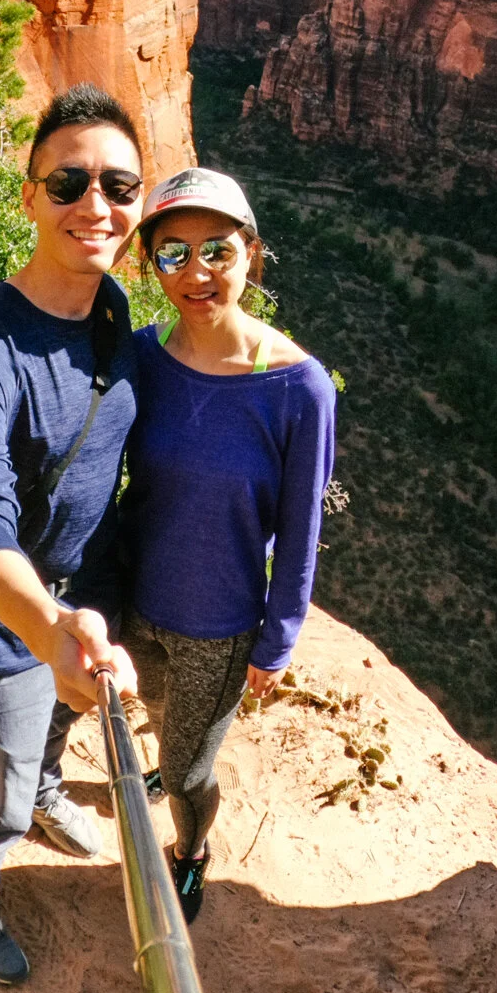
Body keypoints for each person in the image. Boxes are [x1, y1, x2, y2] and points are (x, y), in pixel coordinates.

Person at [0, 83, 145, 986]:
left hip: (90, 601)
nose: (96, 205)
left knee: (56, 727)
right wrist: (47, 626)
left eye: (118, 186)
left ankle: (48, 785)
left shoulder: (114, 314)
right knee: (1, 786)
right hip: (12, 618)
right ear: (29, 197)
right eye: (68, 184)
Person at [122, 166, 337, 924]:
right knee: (158, 712)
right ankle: (171, 766)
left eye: (216, 249)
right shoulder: (141, 357)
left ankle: (192, 852)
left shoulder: (299, 389)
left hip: (218, 623)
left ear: (251, 252)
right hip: (134, 604)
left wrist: (277, 641)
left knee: (187, 774)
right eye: (173, 253)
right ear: (151, 264)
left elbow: (302, 528)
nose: (197, 272)